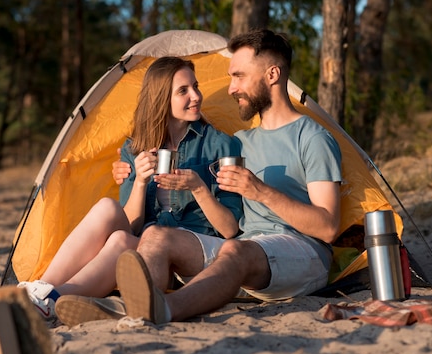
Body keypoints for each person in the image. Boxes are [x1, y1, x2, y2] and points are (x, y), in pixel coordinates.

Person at [114, 28, 343, 324]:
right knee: (156, 236)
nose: (232, 88)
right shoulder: (239, 142)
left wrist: (260, 191)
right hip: (245, 249)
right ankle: (138, 313)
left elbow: (327, 228)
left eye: (239, 76)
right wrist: (126, 169)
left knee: (237, 250)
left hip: (301, 253)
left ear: (272, 75)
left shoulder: (311, 138)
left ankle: (162, 310)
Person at [17, 56, 242, 325]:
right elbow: (132, 225)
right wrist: (140, 181)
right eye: (183, 91)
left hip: (189, 248)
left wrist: (197, 187)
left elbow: (230, 229)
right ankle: (42, 290)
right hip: (146, 249)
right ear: (161, 99)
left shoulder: (219, 145)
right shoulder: (135, 148)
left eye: (195, 86)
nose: (195, 96)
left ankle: (51, 299)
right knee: (111, 217)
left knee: (129, 241)